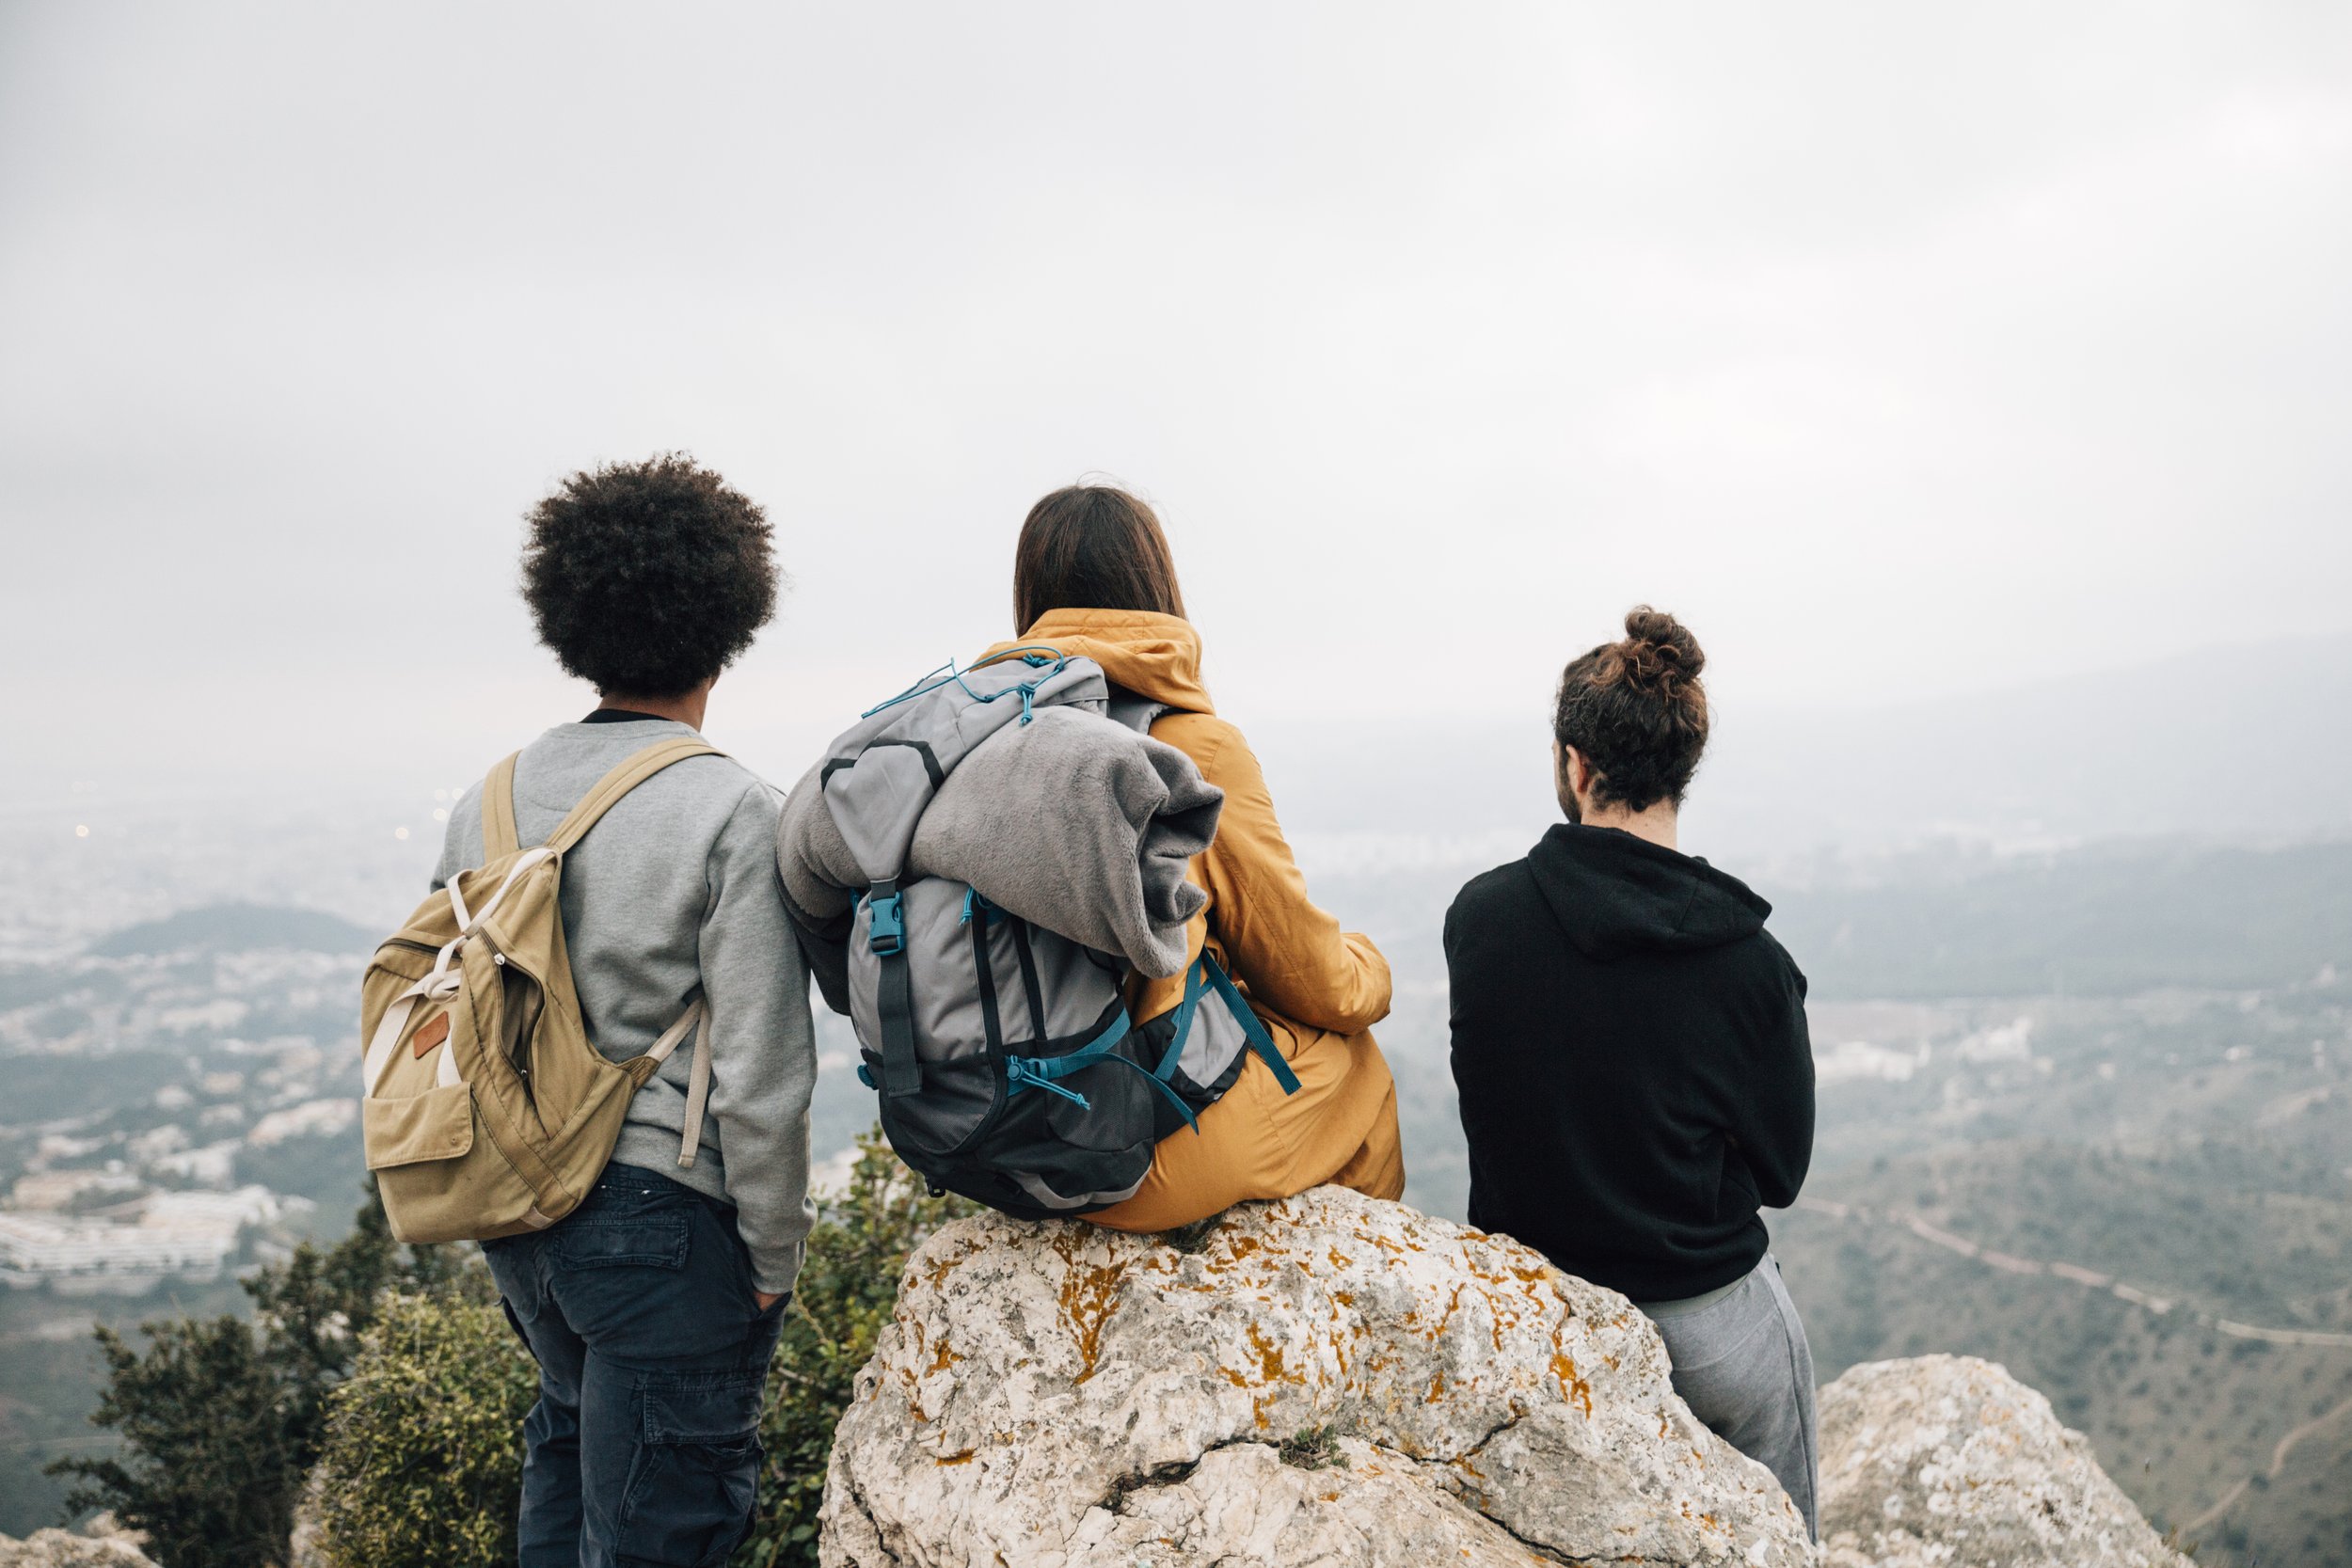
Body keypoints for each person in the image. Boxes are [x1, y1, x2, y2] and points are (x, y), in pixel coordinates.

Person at [435, 454, 818, 1568]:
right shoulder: (736, 809)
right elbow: (762, 1072)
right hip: (663, 1222)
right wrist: (774, 1253)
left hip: (519, 1216)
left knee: (566, 1449)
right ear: (728, 621)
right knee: (667, 1521)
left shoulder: (486, 799)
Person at [1443, 608, 1819, 1537]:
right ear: (1683, 768)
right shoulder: (1751, 962)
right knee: (1780, 1535)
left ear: (1575, 762)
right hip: (1708, 1324)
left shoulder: (1480, 920)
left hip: (1538, 1310)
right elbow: (1781, 1172)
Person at [982, 483, 1406, 1230]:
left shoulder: (985, 740)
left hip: (995, 1136)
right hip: (1126, 1147)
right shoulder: (1193, 747)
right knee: (1358, 1066)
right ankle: (1354, 1302)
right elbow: (1311, 977)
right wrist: (1372, 967)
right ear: (1155, 590)